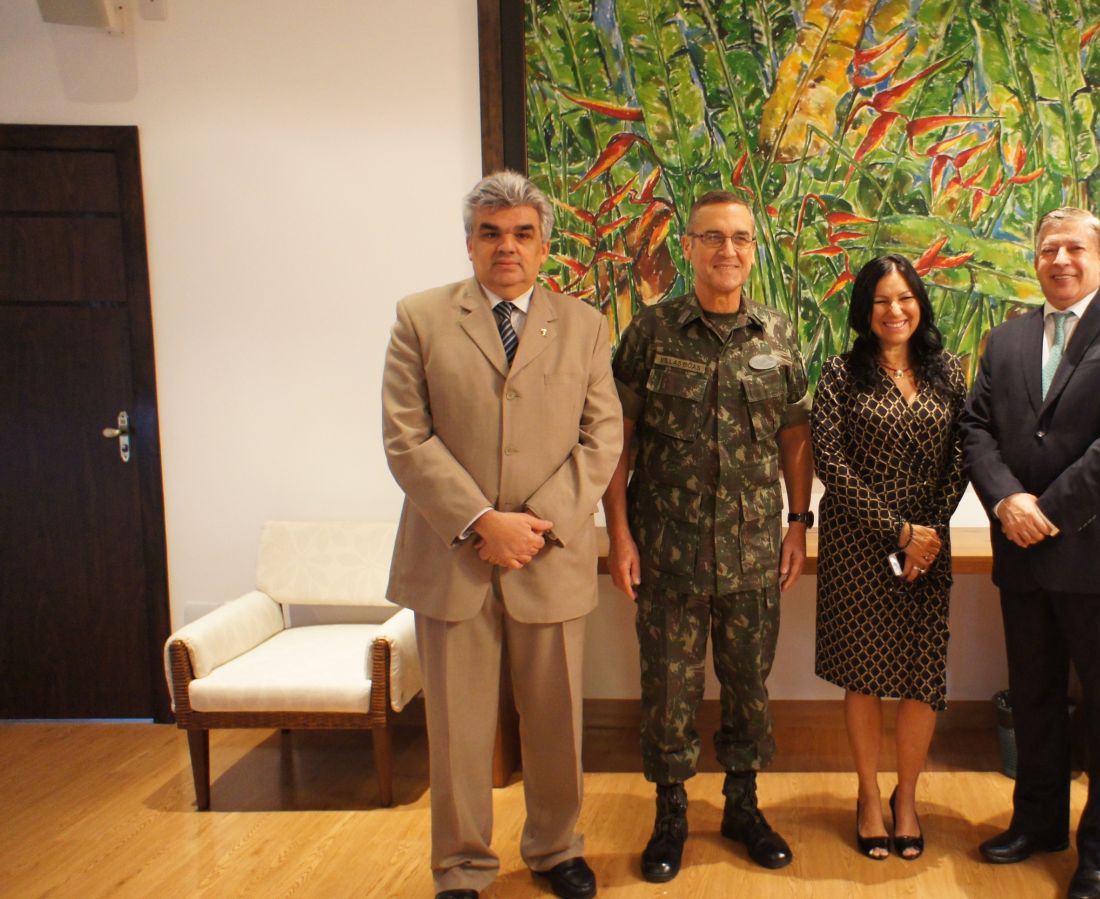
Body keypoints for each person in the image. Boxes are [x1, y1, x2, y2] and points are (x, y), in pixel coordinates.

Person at [381, 171, 622, 899]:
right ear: (469, 243)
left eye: (522, 233)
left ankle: (557, 848)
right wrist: (482, 521)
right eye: (490, 233)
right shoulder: (420, 318)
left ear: (544, 246)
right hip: (452, 556)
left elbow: (601, 438)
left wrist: (533, 525)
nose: (506, 246)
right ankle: (460, 866)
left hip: (549, 555)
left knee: (556, 720)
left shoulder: (585, 325)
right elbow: (405, 437)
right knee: (457, 729)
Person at [960, 207, 1100, 899]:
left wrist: (1045, 512)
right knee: (1035, 698)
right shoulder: (1006, 339)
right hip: (1022, 557)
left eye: (1075, 248)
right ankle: (1038, 821)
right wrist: (1006, 501)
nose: (1060, 260)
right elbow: (976, 429)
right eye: (1048, 248)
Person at [602, 190, 814, 883]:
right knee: (669, 690)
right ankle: (670, 814)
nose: (728, 250)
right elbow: (617, 439)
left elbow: (795, 436)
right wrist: (618, 534)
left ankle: (742, 807)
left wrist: (797, 522)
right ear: (689, 246)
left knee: (749, 684)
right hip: (668, 550)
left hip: (753, 550)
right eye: (713, 237)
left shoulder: (777, 332)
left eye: (741, 238)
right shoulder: (651, 332)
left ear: (754, 248)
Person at [811, 255, 968, 861]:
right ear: (864, 309)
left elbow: (963, 454)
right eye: (881, 300)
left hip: (929, 544)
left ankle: (908, 799)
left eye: (904, 298)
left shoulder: (948, 371)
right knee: (864, 676)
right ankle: (869, 796)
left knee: (921, 680)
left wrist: (927, 533)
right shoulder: (839, 374)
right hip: (859, 543)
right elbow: (830, 462)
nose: (894, 310)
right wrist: (898, 531)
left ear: (919, 303)